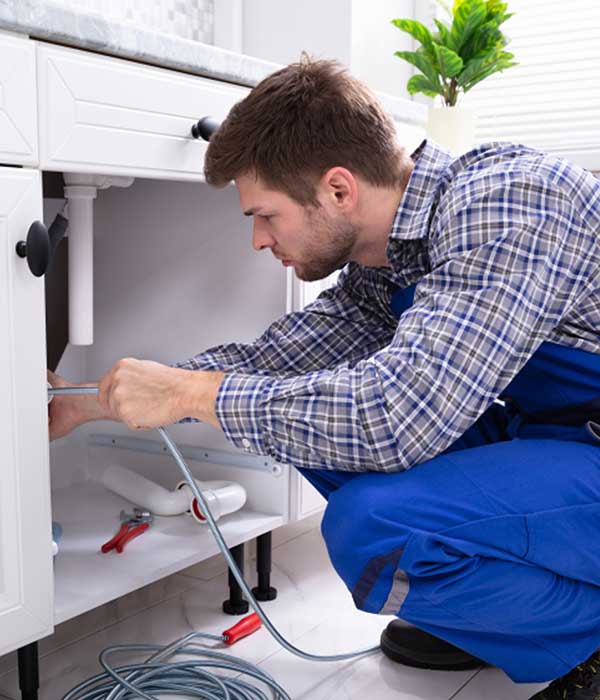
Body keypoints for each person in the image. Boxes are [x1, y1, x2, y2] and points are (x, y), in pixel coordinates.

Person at [47, 54, 600, 699]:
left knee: (373, 523)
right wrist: (94, 403)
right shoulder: (386, 252)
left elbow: (396, 418)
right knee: (319, 434)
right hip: (560, 432)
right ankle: (499, 616)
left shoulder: (509, 204)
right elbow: (287, 357)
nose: (258, 239)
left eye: (265, 214)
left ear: (338, 189)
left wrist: (194, 395)